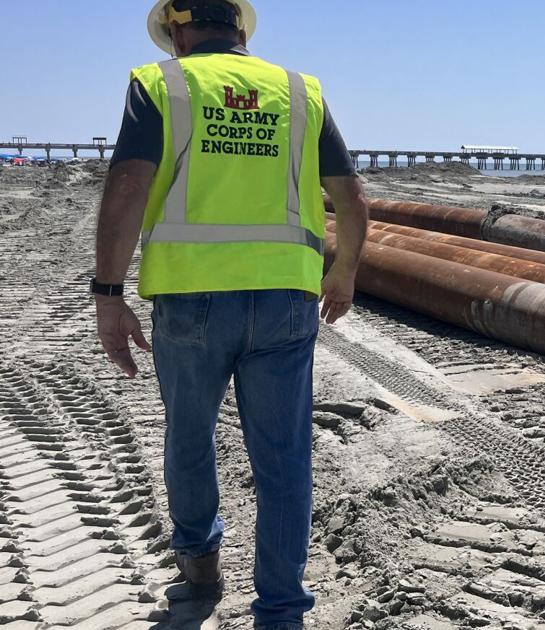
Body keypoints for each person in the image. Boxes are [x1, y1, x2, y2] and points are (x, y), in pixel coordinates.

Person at [92, 1, 368, 628]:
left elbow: (130, 186)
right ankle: (281, 609)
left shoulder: (161, 83)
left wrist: (108, 294)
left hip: (191, 299)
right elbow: (350, 198)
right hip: (286, 299)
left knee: (190, 436)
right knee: (284, 456)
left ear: (178, 31)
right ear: (240, 28)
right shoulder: (299, 90)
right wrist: (345, 271)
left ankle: (200, 565)